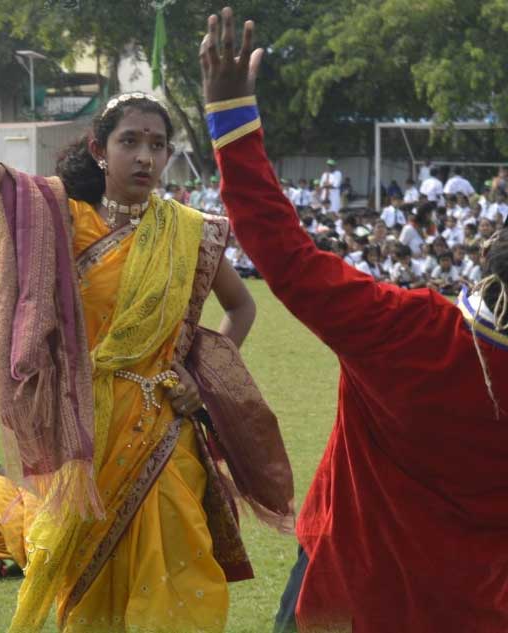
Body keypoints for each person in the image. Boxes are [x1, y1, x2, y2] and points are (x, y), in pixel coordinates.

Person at [0, 70, 293, 629]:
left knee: (180, 570)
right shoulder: (63, 216)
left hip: (162, 428)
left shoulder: (187, 230)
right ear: (99, 150)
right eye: (130, 141)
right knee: (81, 569)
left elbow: (242, 308)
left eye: (157, 145)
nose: (145, 157)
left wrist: (196, 381)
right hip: (84, 427)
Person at [199, 9, 508, 632]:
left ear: (487, 268)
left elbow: (284, 252)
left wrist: (232, 119)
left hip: (346, 587)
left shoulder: (412, 328)